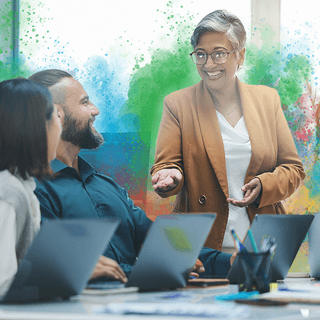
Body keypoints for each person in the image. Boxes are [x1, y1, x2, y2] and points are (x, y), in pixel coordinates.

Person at [30, 69, 236, 283]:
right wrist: (155, 268)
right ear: (57, 115)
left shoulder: (108, 187)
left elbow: (163, 243)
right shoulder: (34, 190)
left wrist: (230, 262)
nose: (95, 110)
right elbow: (57, 266)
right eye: (84, 102)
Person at [150, 9, 305, 253]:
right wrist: (171, 176)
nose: (209, 64)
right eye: (201, 55)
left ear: (240, 56)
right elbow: (166, 166)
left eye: (219, 54)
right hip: (202, 247)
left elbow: (293, 169)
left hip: (262, 243)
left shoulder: (267, 100)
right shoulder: (177, 104)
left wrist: (264, 185)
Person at [0, 78, 62, 297]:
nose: (60, 126)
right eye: (57, 115)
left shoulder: (22, 186)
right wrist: (57, 274)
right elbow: (3, 283)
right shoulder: (7, 193)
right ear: (38, 127)